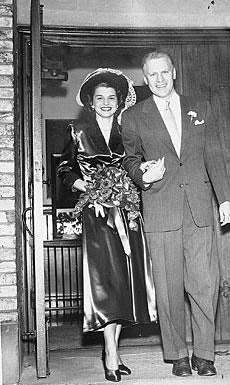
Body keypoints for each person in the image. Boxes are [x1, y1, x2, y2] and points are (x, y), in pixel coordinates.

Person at [121, 51, 230, 377]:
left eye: (164, 72)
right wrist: (143, 173)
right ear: (145, 78)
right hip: (160, 208)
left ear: (174, 73)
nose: (159, 79)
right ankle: (178, 355)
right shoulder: (134, 117)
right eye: (152, 74)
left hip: (198, 209)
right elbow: (129, 160)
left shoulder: (200, 108)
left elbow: (214, 153)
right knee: (169, 288)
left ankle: (204, 354)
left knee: (204, 285)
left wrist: (223, 198)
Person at [57, 68, 156, 383]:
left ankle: (112, 350)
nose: (105, 103)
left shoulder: (129, 127)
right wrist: (85, 187)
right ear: (90, 101)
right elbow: (64, 169)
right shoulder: (77, 130)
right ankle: (110, 353)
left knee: (123, 286)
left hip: (127, 215)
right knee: (106, 286)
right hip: (98, 216)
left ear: (119, 101)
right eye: (99, 98)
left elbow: (137, 162)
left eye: (111, 98)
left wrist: (145, 170)